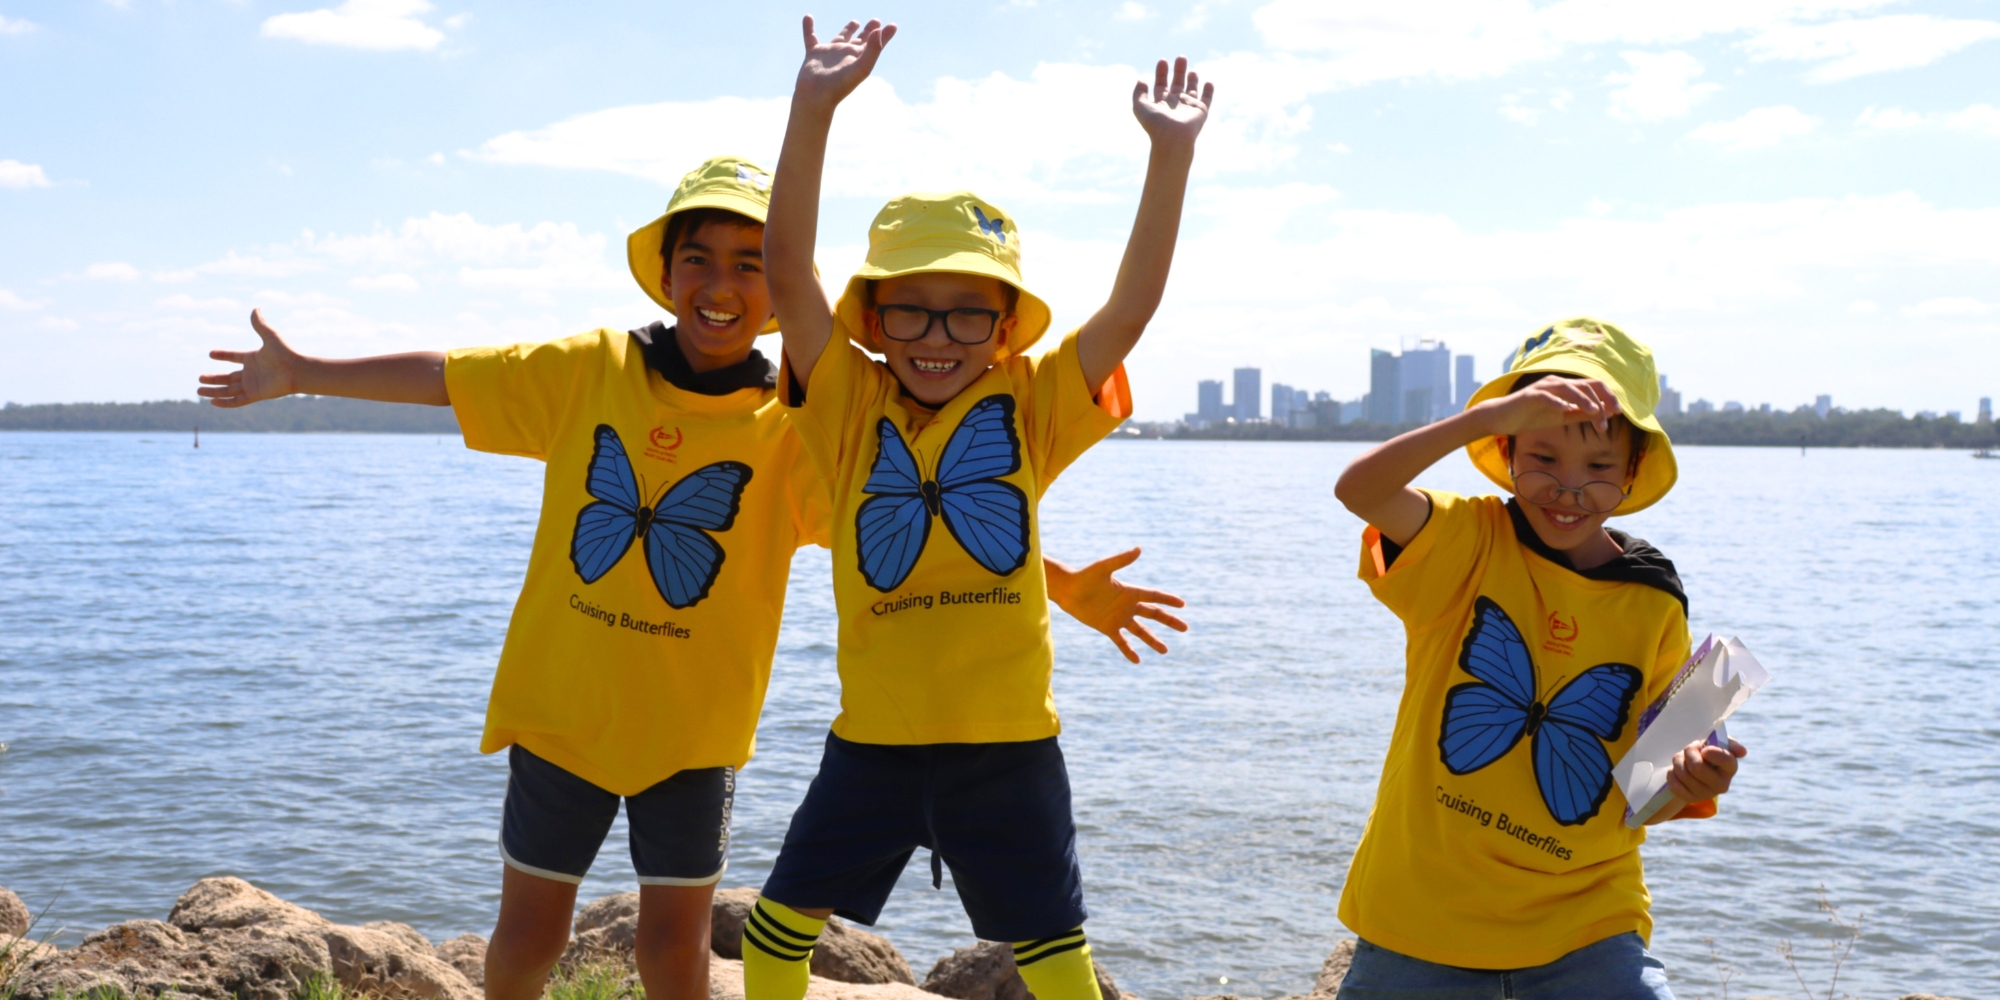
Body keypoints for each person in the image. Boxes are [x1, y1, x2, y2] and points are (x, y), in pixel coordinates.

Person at [197, 156, 1188, 1000]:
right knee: (529, 937)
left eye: (751, 264)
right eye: (698, 257)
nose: (722, 282)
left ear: (777, 289)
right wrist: (307, 371)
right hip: (562, 709)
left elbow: (907, 531)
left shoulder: (795, 425)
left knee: (678, 948)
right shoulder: (592, 368)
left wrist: (1057, 584)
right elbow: (448, 375)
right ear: (664, 272)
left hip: (693, 729)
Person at [744, 17, 1212, 1000]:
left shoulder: (1029, 404)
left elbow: (1128, 310)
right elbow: (787, 269)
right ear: (874, 320)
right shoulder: (845, 403)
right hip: (871, 741)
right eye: (912, 309)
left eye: (967, 312)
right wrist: (812, 105)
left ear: (1002, 328)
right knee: (775, 935)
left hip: (1008, 743)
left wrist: (1169, 156)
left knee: (1054, 960)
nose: (937, 335)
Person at [1329, 318, 1749, 999]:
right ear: (1507, 447)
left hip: (1587, 927)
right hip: (1418, 921)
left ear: (1633, 470)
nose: (1568, 488)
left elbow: (1649, 782)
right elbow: (1359, 490)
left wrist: (1697, 777)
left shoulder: (1654, 600)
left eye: (1598, 467)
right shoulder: (1467, 540)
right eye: (1544, 458)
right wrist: (1488, 414)